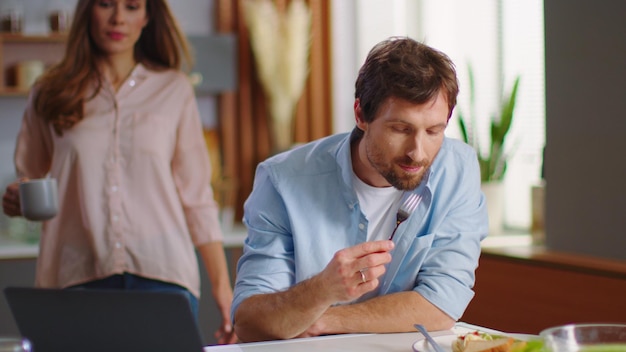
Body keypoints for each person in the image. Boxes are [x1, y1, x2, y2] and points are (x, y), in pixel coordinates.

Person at [1, 0, 236, 345]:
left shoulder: (174, 90)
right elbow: (30, 179)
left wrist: (223, 290)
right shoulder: (49, 92)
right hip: (75, 279)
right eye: (106, 4)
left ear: (147, 16)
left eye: (131, 6)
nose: (118, 18)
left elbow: (197, 198)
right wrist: (15, 198)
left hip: (163, 277)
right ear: (87, 11)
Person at [231, 37, 488, 342]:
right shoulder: (283, 181)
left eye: (434, 131)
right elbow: (250, 323)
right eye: (400, 129)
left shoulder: (458, 169)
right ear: (361, 116)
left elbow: (441, 304)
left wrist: (324, 319)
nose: (417, 152)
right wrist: (322, 289)